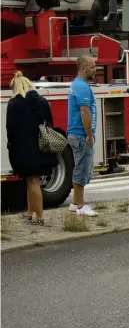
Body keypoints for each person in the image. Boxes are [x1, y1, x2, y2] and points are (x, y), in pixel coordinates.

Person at [6, 72, 58, 226]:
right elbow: (50, 122)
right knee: (32, 180)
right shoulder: (42, 101)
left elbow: (11, 129)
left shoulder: (14, 103)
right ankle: (30, 212)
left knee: (32, 181)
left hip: (24, 148)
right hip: (41, 146)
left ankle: (40, 217)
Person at [67, 56, 99, 216]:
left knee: (81, 168)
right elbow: (84, 112)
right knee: (81, 169)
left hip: (78, 134)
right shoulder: (82, 87)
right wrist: (89, 135)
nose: (95, 70)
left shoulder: (78, 85)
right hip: (81, 135)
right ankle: (80, 206)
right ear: (82, 68)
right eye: (92, 67)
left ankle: (75, 203)